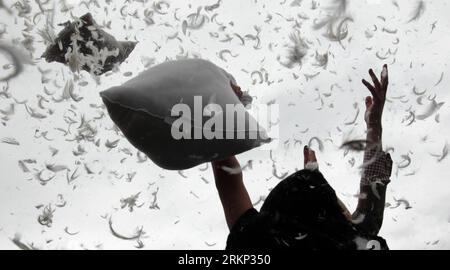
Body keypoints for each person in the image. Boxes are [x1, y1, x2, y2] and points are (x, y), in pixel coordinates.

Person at [211, 65, 393, 250]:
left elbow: (230, 186)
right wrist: (374, 125)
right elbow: (367, 215)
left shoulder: (257, 241)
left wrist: (220, 113)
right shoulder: (354, 237)